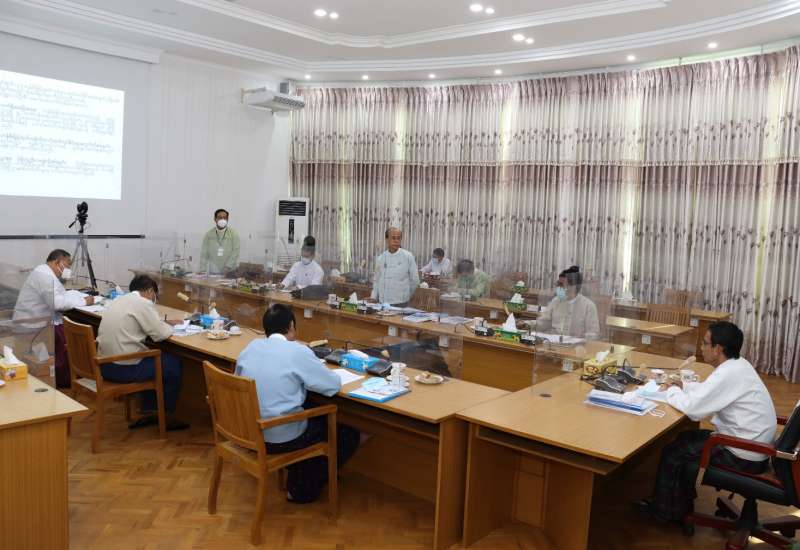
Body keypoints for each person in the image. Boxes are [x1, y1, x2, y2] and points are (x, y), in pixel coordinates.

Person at [635, 321, 776, 524]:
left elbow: (694, 410)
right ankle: (679, 502)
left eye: (705, 343)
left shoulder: (729, 373)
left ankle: (664, 513)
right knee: (684, 438)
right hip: (754, 447)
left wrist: (671, 390)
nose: (701, 347)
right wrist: (683, 386)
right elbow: (709, 391)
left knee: (673, 452)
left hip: (743, 454)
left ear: (718, 349)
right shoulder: (738, 365)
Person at [235, 304, 360, 503]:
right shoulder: (297, 351)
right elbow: (332, 386)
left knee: (308, 406)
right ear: (291, 327)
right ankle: (303, 487)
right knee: (346, 432)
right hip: (278, 437)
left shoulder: (251, 347)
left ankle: (301, 472)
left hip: (247, 431)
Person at [96, 274, 188, 430]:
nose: (153, 300)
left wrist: (162, 322)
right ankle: (164, 416)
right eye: (155, 296)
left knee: (154, 359)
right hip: (123, 369)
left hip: (104, 365)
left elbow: (136, 321)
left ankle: (149, 410)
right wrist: (171, 326)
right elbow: (160, 335)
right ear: (150, 291)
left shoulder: (119, 300)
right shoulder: (143, 303)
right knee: (172, 363)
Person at [13, 249, 95, 389]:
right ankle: (66, 377)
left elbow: (59, 296)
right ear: (58, 262)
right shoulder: (46, 277)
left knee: (68, 330)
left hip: (34, 321)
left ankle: (72, 373)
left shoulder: (43, 272)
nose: (68, 270)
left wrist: (75, 296)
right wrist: (84, 301)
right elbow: (57, 304)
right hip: (33, 326)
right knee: (73, 336)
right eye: (67, 266)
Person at [535, 266, 600, 339]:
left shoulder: (588, 306)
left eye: (561, 284)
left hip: (577, 344)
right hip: (553, 343)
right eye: (558, 284)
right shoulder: (556, 301)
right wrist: (527, 324)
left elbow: (594, 334)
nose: (557, 287)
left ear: (573, 286)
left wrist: (583, 336)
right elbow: (543, 323)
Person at [370, 227, 419, 306]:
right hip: (382, 302)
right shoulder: (380, 258)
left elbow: (415, 280)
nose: (396, 241)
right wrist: (373, 297)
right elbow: (376, 280)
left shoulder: (408, 256)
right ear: (387, 240)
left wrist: (406, 296)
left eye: (398, 238)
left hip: (401, 303)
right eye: (393, 238)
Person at [200, 208, 240, 274]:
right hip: (213, 271)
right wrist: (202, 269)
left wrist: (228, 266)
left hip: (230, 271)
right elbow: (204, 253)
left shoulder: (233, 234)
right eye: (220, 217)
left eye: (225, 217)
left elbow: (235, 252)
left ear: (227, 219)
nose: (222, 219)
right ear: (215, 219)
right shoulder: (209, 235)